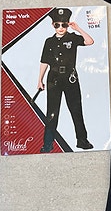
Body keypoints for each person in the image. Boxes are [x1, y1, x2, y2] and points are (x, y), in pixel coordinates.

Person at [38, 8, 94, 153]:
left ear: (68, 25)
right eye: (57, 25)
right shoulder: (49, 42)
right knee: (52, 112)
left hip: (70, 78)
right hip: (53, 79)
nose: (61, 28)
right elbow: (44, 61)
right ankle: (48, 144)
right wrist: (40, 80)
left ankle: (82, 141)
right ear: (53, 25)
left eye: (64, 25)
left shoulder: (73, 38)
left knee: (76, 109)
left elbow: (89, 41)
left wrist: (78, 28)